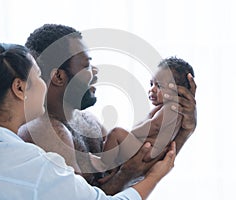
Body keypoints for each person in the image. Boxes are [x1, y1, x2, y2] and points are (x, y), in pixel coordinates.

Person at [0, 42, 176, 200]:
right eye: (39, 76)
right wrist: (155, 176)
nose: (44, 84)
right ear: (19, 88)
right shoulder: (32, 163)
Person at [18, 24, 197, 194]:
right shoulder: (44, 131)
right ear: (58, 76)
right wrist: (126, 175)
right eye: (86, 65)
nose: (95, 71)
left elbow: (137, 177)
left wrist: (184, 130)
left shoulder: (89, 121)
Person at [89, 57, 195, 171]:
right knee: (117, 140)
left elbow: (154, 126)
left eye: (159, 86)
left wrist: (131, 134)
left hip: (146, 153)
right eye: (151, 84)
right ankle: (111, 172)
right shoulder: (167, 108)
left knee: (116, 133)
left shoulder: (172, 108)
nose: (152, 89)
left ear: (178, 91)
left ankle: (103, 163)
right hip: (146, 151)